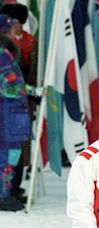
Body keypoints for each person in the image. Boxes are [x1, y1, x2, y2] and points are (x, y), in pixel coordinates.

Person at [0, 14, 30, 211]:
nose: (16, 33)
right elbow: (7, 86)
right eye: (13, 29)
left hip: (12, 114)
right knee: (7, 156)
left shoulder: (6, 52)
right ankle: (3, 195)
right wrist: (35, 91)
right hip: (8, 115)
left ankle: (7, 193)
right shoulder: (2, 53)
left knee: (10, 156)